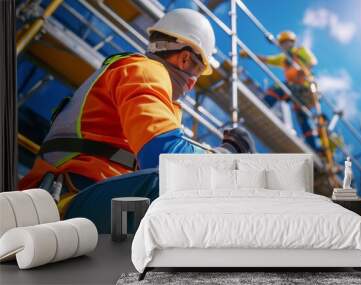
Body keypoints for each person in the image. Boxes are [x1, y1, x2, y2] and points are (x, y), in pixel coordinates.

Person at [18, 9, 255, 229]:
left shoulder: (138, 77)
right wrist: (225, 158)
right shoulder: (145, 71)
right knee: (177, 187)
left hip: (81, 200)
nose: (192, 84)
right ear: (185, 59)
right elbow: (166, 157)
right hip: (69, 205)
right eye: (198, 72)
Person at [240, 30, 319, 150]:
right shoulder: (283, 58)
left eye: (285, 42)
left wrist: (302, 69)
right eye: (281, 43)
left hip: (304, 87)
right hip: (295, 90)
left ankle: (264, 105)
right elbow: (268, 60)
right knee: (302, 116)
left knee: (279, 88)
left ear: (291, 42)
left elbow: (312, 62)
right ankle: (314, 147)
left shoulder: (300, 51)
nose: (283, 46)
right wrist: (250, 55)